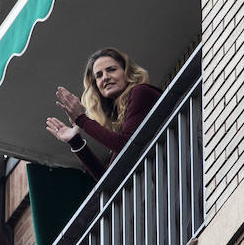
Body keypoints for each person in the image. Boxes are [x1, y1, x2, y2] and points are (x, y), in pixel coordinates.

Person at [44, 47, 162, 178]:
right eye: (98, 75)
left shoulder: (141, 92)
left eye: (111, 69)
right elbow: (109, 179)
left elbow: (127, 145)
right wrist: (75, 141)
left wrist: (82, 120)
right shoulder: (121, 119)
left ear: (127, 72)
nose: (105, 77)